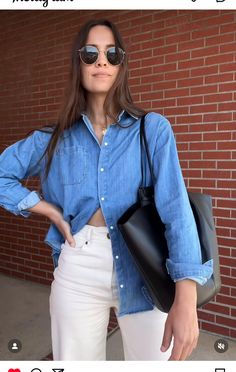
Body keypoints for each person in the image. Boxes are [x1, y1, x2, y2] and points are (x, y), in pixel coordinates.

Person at [0, 19, 213, 361]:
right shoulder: (52, 140)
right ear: (78, 62)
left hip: (146, 268)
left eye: (112, 53)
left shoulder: (152, 129)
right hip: (78, 268)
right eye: (90, 53)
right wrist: (45, 208)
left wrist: (186, 298)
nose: (102, 61)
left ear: (120, 64)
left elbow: (176, 210)